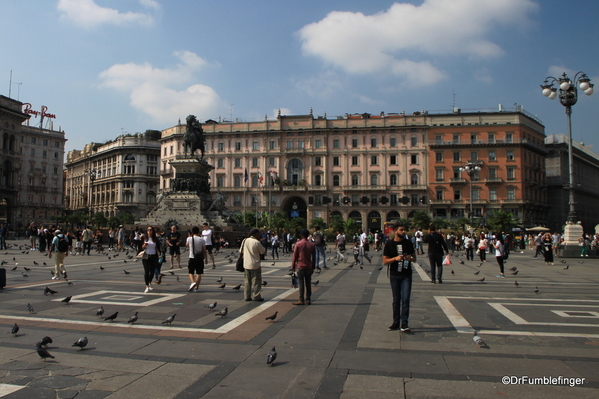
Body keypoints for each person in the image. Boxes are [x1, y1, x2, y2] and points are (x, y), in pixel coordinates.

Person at [383, 223, 416, 332]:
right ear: (395, 231)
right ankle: (396, 322)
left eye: (404, 230)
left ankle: (405, 323)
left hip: (406, 275)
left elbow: (414, 259)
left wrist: (409, 258)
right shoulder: (389, 244)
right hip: (394, 275)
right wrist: (395, 259)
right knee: (396, 299)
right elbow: (385, 261)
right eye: (401, 230)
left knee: (405, 299)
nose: (404, 232)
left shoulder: (408, 243)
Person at [291, 229, 316, 305]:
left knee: (301, 283)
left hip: (300, 266)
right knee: (308, 283)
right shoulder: (312, 245)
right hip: (308, 266)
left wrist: (293, 266)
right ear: (308, 235)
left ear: (301, 235)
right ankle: (308, 299)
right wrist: (313, 267)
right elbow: (314, 257)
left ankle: (301, 299)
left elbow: (295, 256)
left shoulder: (298, 244)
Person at [241, 228, 266, 301]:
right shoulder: (256, 242)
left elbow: (241, 251)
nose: (259, 235)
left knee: (247, 281)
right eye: (258, 234)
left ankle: (247, 296)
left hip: (246, 264)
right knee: (256, 281)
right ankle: (256, 296)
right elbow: (263, 251)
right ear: (256, 234)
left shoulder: (245, 240)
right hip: (255, 264)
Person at [186, 226, 207, 292]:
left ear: (192, 232)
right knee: (199, 273)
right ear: (198, 232)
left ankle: (192, 282)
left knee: (190, 272)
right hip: (200, 258)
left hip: (192, 257)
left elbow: (187, 245)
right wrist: (206, 258)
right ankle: (197, 287)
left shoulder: (189, 238)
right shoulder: (202, 239)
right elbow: (204, 250)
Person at [141, 226, 161, 293]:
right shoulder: (144, 238)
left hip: (153, 256)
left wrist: (159, 255)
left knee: (152, 271)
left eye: (150, 230)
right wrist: (143, 246)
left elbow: (157, 248)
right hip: (146, 256)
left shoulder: (155, 239)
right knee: (146, 271)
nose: (149, 231)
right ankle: (147, 286)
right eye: (148, 230)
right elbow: (141, 247)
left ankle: (149, 282)